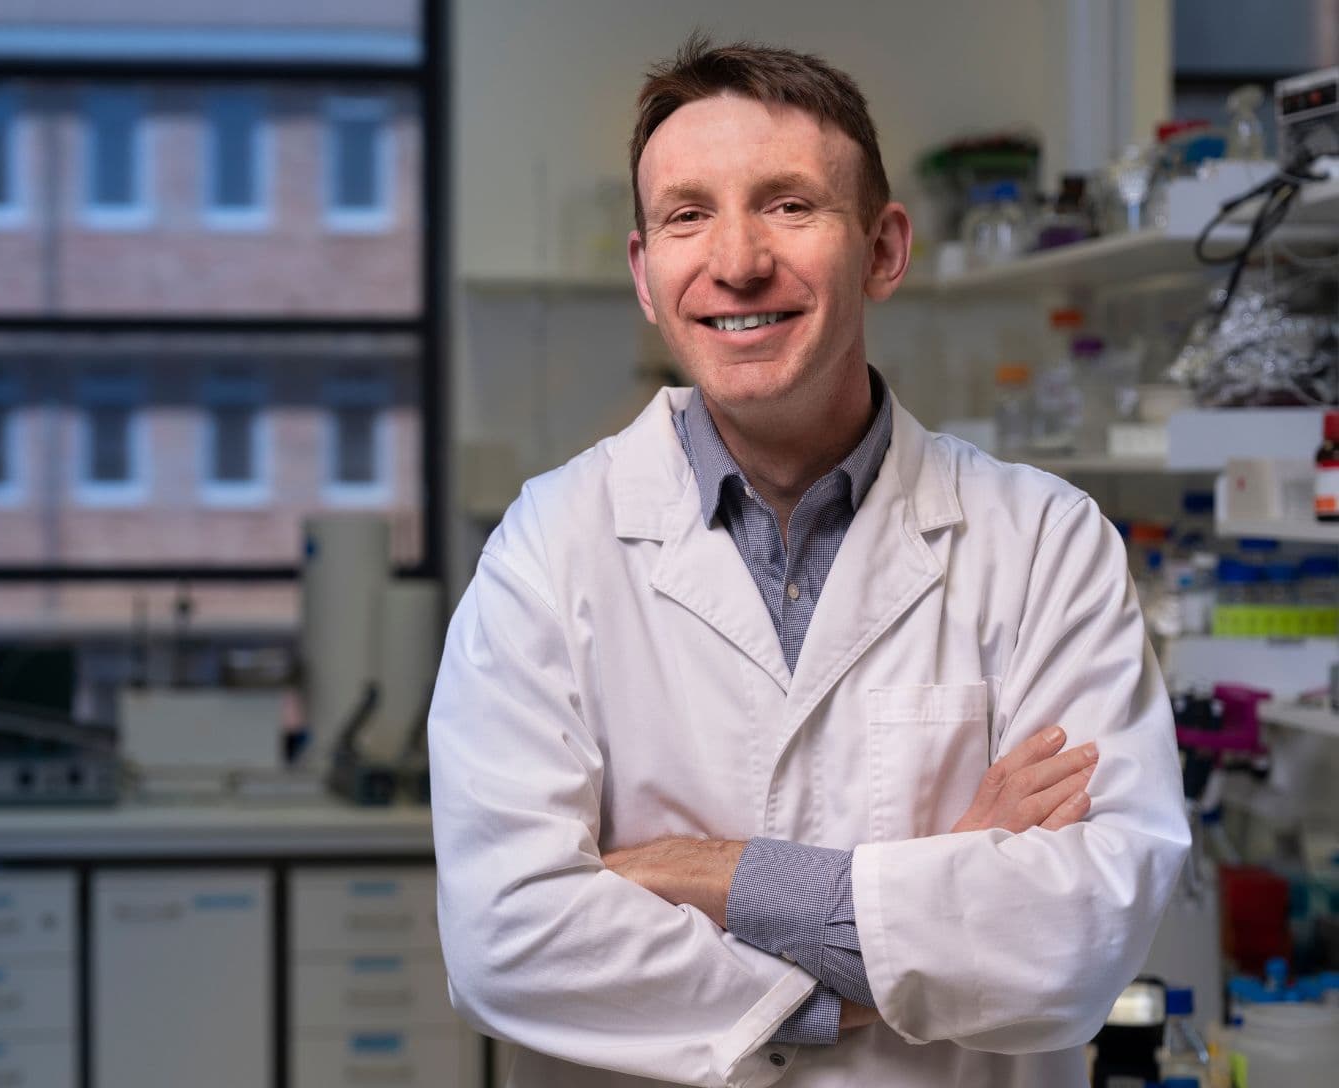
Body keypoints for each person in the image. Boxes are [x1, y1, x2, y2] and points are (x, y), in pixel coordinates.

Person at [428, 36, 1189, 1088]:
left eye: (788, 205)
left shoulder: (1045, 542)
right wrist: (908, 929)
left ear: (882, 248)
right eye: (689, 214)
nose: (736, 260)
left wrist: (702, 872)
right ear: (646, 274)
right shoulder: (548, 547)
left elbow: (1078, 940)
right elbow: (504, 936)